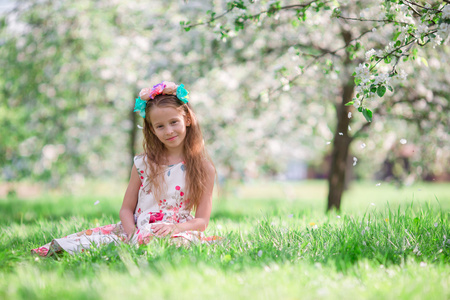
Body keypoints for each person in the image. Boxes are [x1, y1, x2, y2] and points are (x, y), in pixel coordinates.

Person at [32, 81, 219, 257]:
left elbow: (202, 222)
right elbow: (126, 209)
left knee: (175, 246)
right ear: (152, 129)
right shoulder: (144, 163)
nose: (168, 131)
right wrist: (132, 234)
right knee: (98, 242)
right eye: (160, 126)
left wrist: (176, 229)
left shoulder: (204, 169)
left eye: (174, 122)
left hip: (177, 231)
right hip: (137, 229)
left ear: (186, 119)